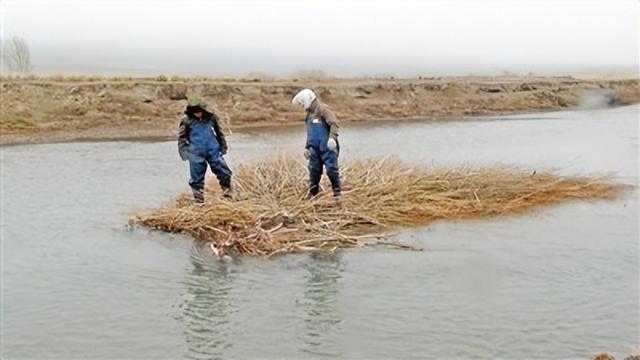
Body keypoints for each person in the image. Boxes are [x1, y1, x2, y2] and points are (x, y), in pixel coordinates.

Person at [178, 96, 232, 203]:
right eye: (195, 112)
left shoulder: (211, 117)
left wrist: (223, 147)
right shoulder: (186, 121)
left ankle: (228, 195)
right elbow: (182, 138)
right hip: (195, 153)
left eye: (200, 111)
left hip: (214, 150)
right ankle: (199, 202)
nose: (198, 114)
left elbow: (219, 132)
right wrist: (185, 154)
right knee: (196, 180)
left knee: (224, 173)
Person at [291, 88, 342, 201]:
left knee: (331, 170)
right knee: (314, 171)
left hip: (328, 147)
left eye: (302, 103)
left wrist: (332, 138)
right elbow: (310, 133)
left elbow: (334, 124)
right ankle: (313, 194)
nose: (302, 106)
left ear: (308, 99)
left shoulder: (324, 110)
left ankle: (337, 194)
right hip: (314, 148)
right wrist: (307, 147)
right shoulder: (309, 115)